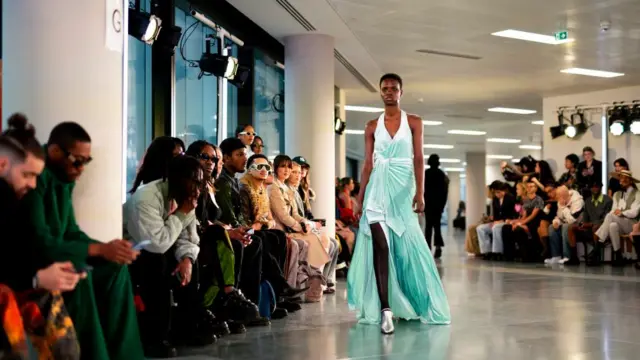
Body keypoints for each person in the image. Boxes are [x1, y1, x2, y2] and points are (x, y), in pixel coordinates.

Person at [22, 122, 144, 360]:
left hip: (59, 252)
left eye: (86, 161)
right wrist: (98, 249)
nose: (81, 168)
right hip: (39, 260)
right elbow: (40, 242)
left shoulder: (62, 177)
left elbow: (70, 230)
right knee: (80, 275)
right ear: (55, 151)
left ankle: (126, 355)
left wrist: (110, 250)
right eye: (77, 160)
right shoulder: (35, 177)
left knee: (115, 269)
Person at [347, 73, 450, 335]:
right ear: (380, 92)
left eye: (394, 88)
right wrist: (359, 200)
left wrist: (420, 193)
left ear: (401, 92)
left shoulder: (414, 122)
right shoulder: (372, 125)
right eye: (385, 88)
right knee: (380, 245)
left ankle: (412, 300)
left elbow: (418, 158)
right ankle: (385, 310)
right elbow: (368, 165)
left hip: (403, 190)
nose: (389, 92)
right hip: (376, 190)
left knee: (405, 247)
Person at [124, 155, 220, 356]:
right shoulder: (147, 198)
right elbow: (155, 244)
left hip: (161, 248)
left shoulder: (184, 198)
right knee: (157, 262)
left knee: (192, 260)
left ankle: (187, 327)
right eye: (193, 180)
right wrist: (182, 213)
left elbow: (189, 238)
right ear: (175, 178)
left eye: (200, 181)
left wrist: (187, 258)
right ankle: (154, 338)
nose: (197, 187)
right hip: (131, 254)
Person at [588, 170, 640, 266]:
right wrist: (616, 213)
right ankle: (618, 257)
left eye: (624, 178)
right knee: (612, 225)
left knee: (610, 216)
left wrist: (622, 213)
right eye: (620, 178)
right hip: (619, 222)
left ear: (630, 181)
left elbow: (634, 212)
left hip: (632, 224)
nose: (621, 180)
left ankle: (597, 248)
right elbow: (613, 210)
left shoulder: (637, 194)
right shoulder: (617, 194)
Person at [569, 181, 612, 265]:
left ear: (601, 187)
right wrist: (583, 224)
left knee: (596, 227)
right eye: (592, 187)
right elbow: (585, 218)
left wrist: (591, 224)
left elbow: (607, 218)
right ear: (590, 188)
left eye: (597, 186)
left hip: (602, 228)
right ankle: (574, 257)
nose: (595, 189)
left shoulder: (608, 200)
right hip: (589, 228)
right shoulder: (588, 201)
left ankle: (595, 256)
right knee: (571, 227)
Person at [476, 182, 517, 260]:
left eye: (499, 192)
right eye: (495, 192)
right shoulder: (495, 199)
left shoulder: (510, 198)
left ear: (503, 190)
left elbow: (513, 214)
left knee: (496, 227)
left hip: (508, 221)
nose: (497, 194)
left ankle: (497, 252)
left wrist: (501, 221)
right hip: (498, 222)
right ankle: (486, 251)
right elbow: (495, 214)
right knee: (480, 228)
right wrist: (494, 221)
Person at [545, 186, 584, 265]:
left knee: (566, 226)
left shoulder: (578, 201)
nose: (556, 198)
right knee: (551, 227)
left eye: (557, 196)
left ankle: (567, 256)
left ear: (562, 196)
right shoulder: (561, 201)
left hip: (578, 225)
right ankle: (556, 256)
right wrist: (556, 222)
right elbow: (560, 216)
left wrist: (563, 207)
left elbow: (572, 220)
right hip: (567, 223)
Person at [423, 154, 449, 258]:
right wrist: (442, 206)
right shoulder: (442, 175)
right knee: (437, 227)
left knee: (428, 227)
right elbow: (445, 192)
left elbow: (422, 190)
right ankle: (438, 248)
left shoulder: (426, 174)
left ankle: (427, 247)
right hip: (438, 206)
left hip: (428, 205)